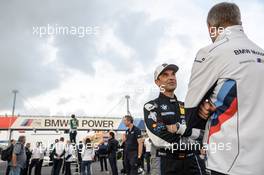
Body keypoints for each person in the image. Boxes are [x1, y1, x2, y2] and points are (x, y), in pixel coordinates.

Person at [184, 2, 264, 175]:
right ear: (240, 23)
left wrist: (202, 109)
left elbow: (190, 116)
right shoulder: (261, 52)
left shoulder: (210, 52)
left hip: (228, 162)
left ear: (211, 28)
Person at [143, 63, 205, 175]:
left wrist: (178, 129)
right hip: (166, 162)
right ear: (157, 82)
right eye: (165, 75)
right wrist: (192, 139)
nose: (171, 77)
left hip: (192, 161)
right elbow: (159, 138)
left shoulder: (186, 106)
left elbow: (202, 134)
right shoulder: (151, 106)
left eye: (173, 74)